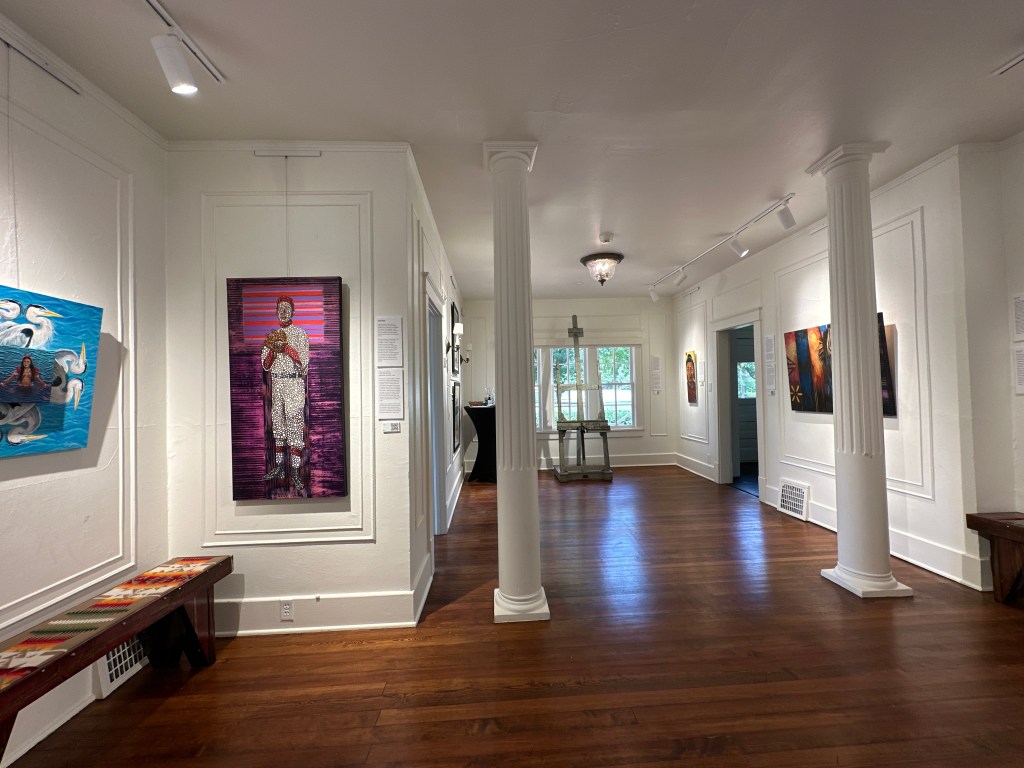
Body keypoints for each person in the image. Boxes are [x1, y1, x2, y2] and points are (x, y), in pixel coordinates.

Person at [260, 296, 310, 492]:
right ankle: (280, 468)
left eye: (287, 308)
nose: (283, 311)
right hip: (278, 382)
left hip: (294, 381)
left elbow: (303, 362)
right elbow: (265, 365)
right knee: (279, 424)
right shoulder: (272, 336)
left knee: (295, 425)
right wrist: (273, 349)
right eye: (280, 308)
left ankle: (295, 471)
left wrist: (286, 347)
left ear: (293, 311)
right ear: (276, 312)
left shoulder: (300, 334)